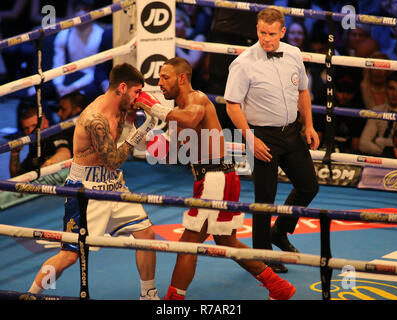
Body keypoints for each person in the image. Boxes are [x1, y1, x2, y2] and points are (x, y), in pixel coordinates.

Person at [134, 57, 296, 300]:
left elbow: (190, 118)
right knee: (226, 240)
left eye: (165, 77)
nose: (159, 83)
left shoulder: (196, 99)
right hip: (212, 178)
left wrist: (153, 107)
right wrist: (140, 131)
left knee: (187, 246)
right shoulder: (179, 111)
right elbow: (171, 153)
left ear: (182, 78)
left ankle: (173, 301)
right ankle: (278, 286)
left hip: (215, 179)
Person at [28, 63, 160, 300]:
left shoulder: (122, 106)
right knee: (69, 255)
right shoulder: (95, 119)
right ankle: (31, 295)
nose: (139, 98)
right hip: (85, 191)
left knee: (146, 234)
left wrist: (149, 113)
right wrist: (141, 131)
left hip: (113, 184)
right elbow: (114, 160)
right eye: (136, 92)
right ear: (122, 87)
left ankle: (148, 295)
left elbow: (116, 162)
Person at [224, 8, 320, 273]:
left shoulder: (293, 54)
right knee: (264, 198)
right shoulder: (243, 63)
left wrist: (309, 125)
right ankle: (263, 255)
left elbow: (303, 91)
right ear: (257, 29)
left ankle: (280, 231)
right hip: (261, 135)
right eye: (262, 32)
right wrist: (250, 139)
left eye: (272, 34)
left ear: (283, 32)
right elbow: (232, 106)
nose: (266, 39)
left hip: (291, 132)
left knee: (309, 186)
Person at [51, 0, 104, 102]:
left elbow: (97, 70)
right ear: (73, 12)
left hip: (91, 80)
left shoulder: (101, 35)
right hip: (70, 75)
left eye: (86, 10)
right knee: (38, 91)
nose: (81, 13)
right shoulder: (64, 35)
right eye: (78, 10)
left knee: (89, 94)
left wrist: (72, 88)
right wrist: (59, 86)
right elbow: (58, 65)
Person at [9, 106, 73, 178]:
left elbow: (64, 154)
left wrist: (40, 173)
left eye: (34, 126)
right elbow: (17, 178)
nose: (30, 131)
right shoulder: (34, 147)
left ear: (46, 124)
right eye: (26, 128)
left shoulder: (56, 135)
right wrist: (15, 154)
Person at [359, 72, 397, 156]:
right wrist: (386, 153)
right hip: (381, 159)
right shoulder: (377, 110)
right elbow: (363, 144)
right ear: (386, 89)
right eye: (391, 88)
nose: (395, 94)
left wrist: (380, 142)